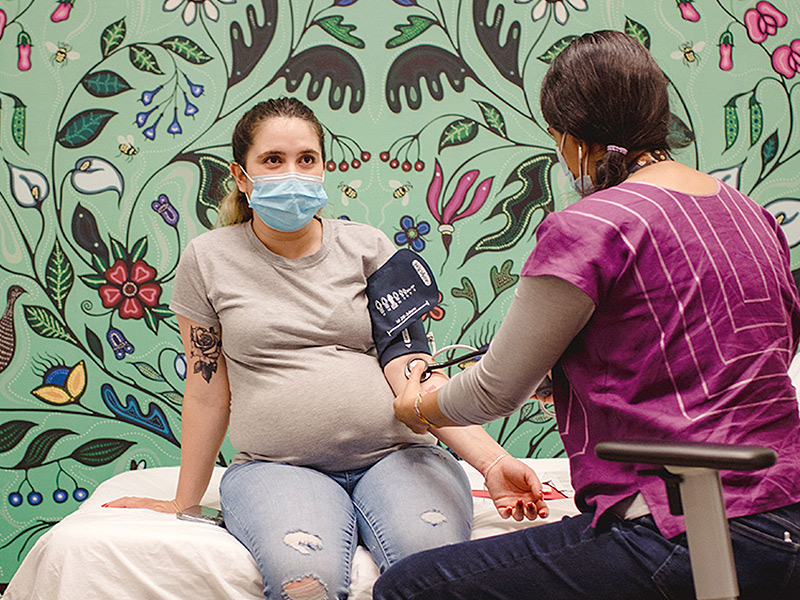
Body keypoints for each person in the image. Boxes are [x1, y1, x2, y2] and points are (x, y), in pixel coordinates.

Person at [375, 30, 800, 600]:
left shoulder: (590, 228)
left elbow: (493, 393)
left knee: (409, 587)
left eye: (556, 138)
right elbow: (746, 355)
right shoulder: (751, 216)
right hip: (788, 521)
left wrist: (420, 404)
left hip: (689, 532)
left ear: (576, 140)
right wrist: (574, 374)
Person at [104, 97, 548, 600]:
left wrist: (491, 463)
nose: (292, 173)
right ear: (241, 175)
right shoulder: (208, 259)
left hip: (400, 456)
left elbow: (413, 372)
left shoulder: (369, 246)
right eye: (273, 160)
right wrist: (184, 501)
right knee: (305, 587)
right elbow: (206, 391)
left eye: (306, 159)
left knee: (433, 579)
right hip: (278, 470)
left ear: (321, 168)